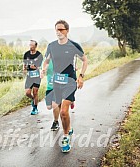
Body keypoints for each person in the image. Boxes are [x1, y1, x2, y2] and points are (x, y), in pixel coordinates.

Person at [42, 20, 88, 152]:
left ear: (67, 30)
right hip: (56, 82)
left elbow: (85, 60)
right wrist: (44, 69)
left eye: (61, 29)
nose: (59, 32)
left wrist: (81, 76)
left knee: (63, 111)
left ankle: (66, 136)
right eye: (57, 29)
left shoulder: (74, 45)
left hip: (69, 82)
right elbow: (46, 60)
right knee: (59, 110)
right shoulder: (51, 46)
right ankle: (68, 127)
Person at [23, 40, 43, 115]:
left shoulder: (39, 55)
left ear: (35, 46)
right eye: (30, 45)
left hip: (37, 76)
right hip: (29, 76)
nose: (30, 46)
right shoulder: (26, 54)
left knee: (35, 92)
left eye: (32, 45)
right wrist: (24, 69)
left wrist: (35, 67)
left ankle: (35, 108)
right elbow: (24, 63)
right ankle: (33, 99)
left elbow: (40, 66)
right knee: (27, 93)